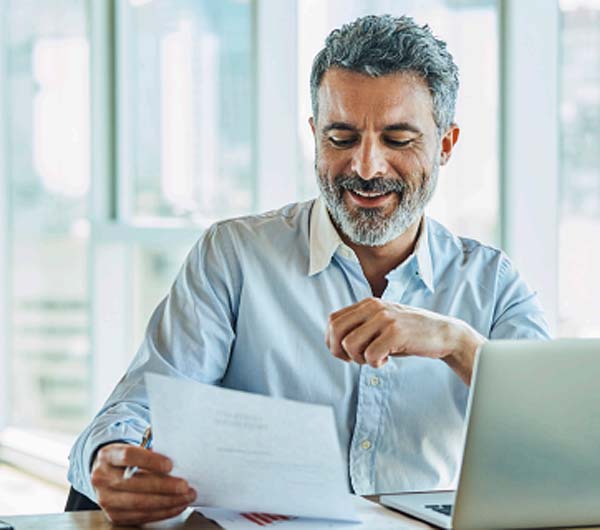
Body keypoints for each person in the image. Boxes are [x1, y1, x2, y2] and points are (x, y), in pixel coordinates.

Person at [68, 14, 549, 525]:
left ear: (445, 145)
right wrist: (112, 461)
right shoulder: (235, 257)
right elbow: (138, 409)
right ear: (314, 135)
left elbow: (563, 438)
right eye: (341, 138)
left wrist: (456, 343)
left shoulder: (492, 285)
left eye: (398, 140)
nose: (366, 168)